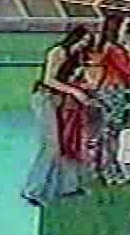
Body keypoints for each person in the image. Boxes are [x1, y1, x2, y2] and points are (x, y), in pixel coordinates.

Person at [21, 26, 98, 207]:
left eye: (87, 42)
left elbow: (70, 79)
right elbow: (49, 79)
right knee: (52, 144)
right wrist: (75, 91)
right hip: (45, 98)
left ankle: (67, 186)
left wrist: (84, 86)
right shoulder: (58, 52)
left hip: (61, 101)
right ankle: (33, 189)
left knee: (66, 142)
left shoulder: (76, 56)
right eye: (82, 40)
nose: (83, 45)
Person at [87, 13, 130, 185]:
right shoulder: (113, 48)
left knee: (110, 132)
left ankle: (101, 168)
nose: (128, 29)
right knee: (111, 132)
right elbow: (128, 69)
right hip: (113, 90)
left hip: (118, 90)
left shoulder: (115, 47)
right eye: (125, 26)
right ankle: (109, 169)